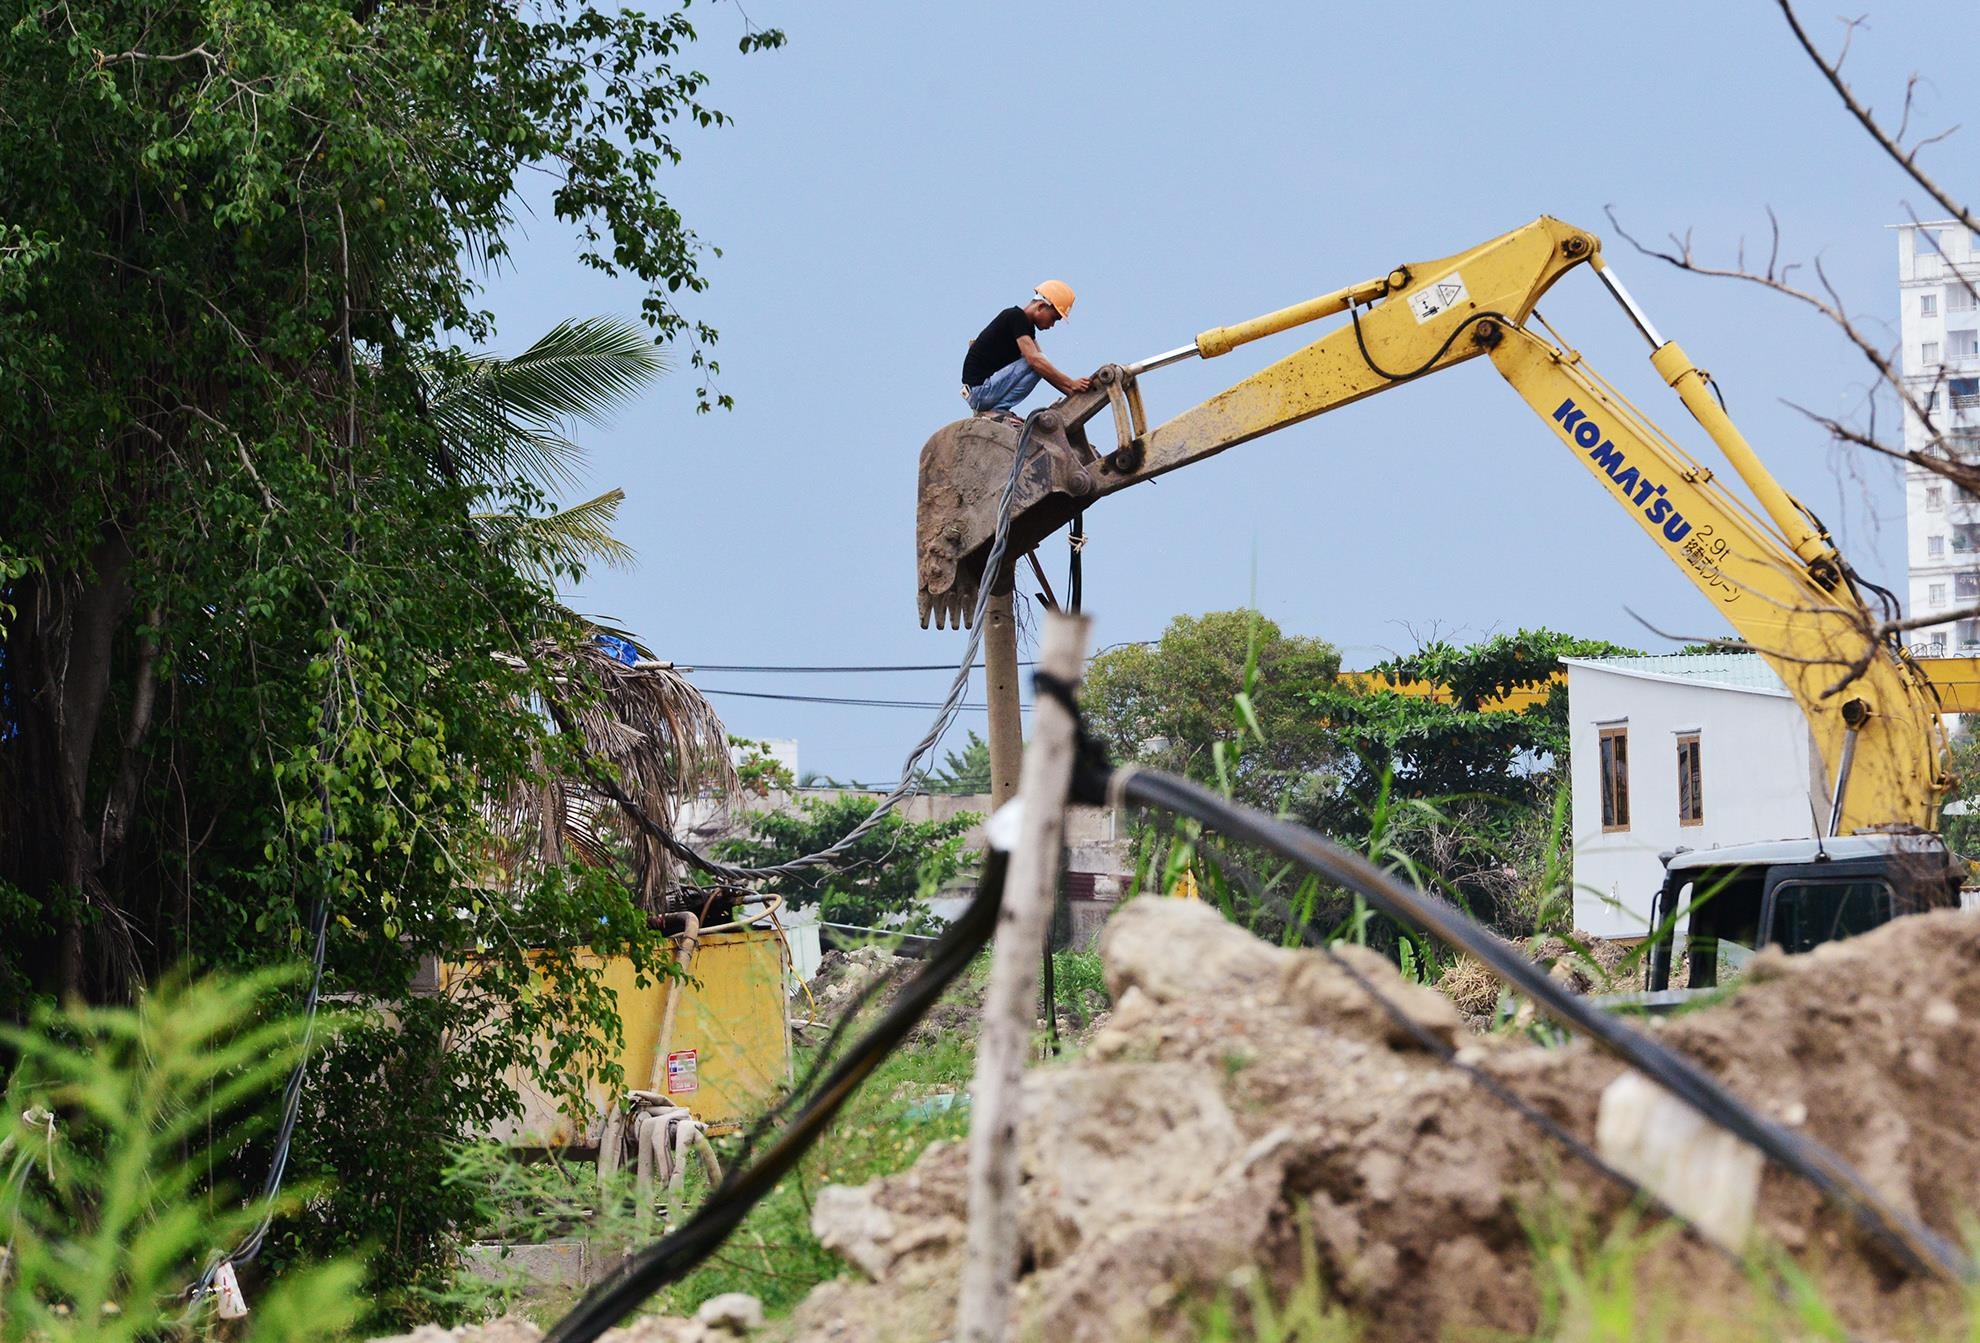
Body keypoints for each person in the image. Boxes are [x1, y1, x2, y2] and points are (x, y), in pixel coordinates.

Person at [960, 280, 1092, 418]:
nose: (1052, 325)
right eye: (1054, 318)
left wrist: (1072, 394)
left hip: (985, 393)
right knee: (1038, 361)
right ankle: (998, 410)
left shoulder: (1027, 329)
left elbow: (1045, 370)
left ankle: (997, 411)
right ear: (1041, 306)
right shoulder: (1015, 317)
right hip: (981, 391)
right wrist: (1071, 383)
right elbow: (1036, 361)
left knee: (1041, 363)